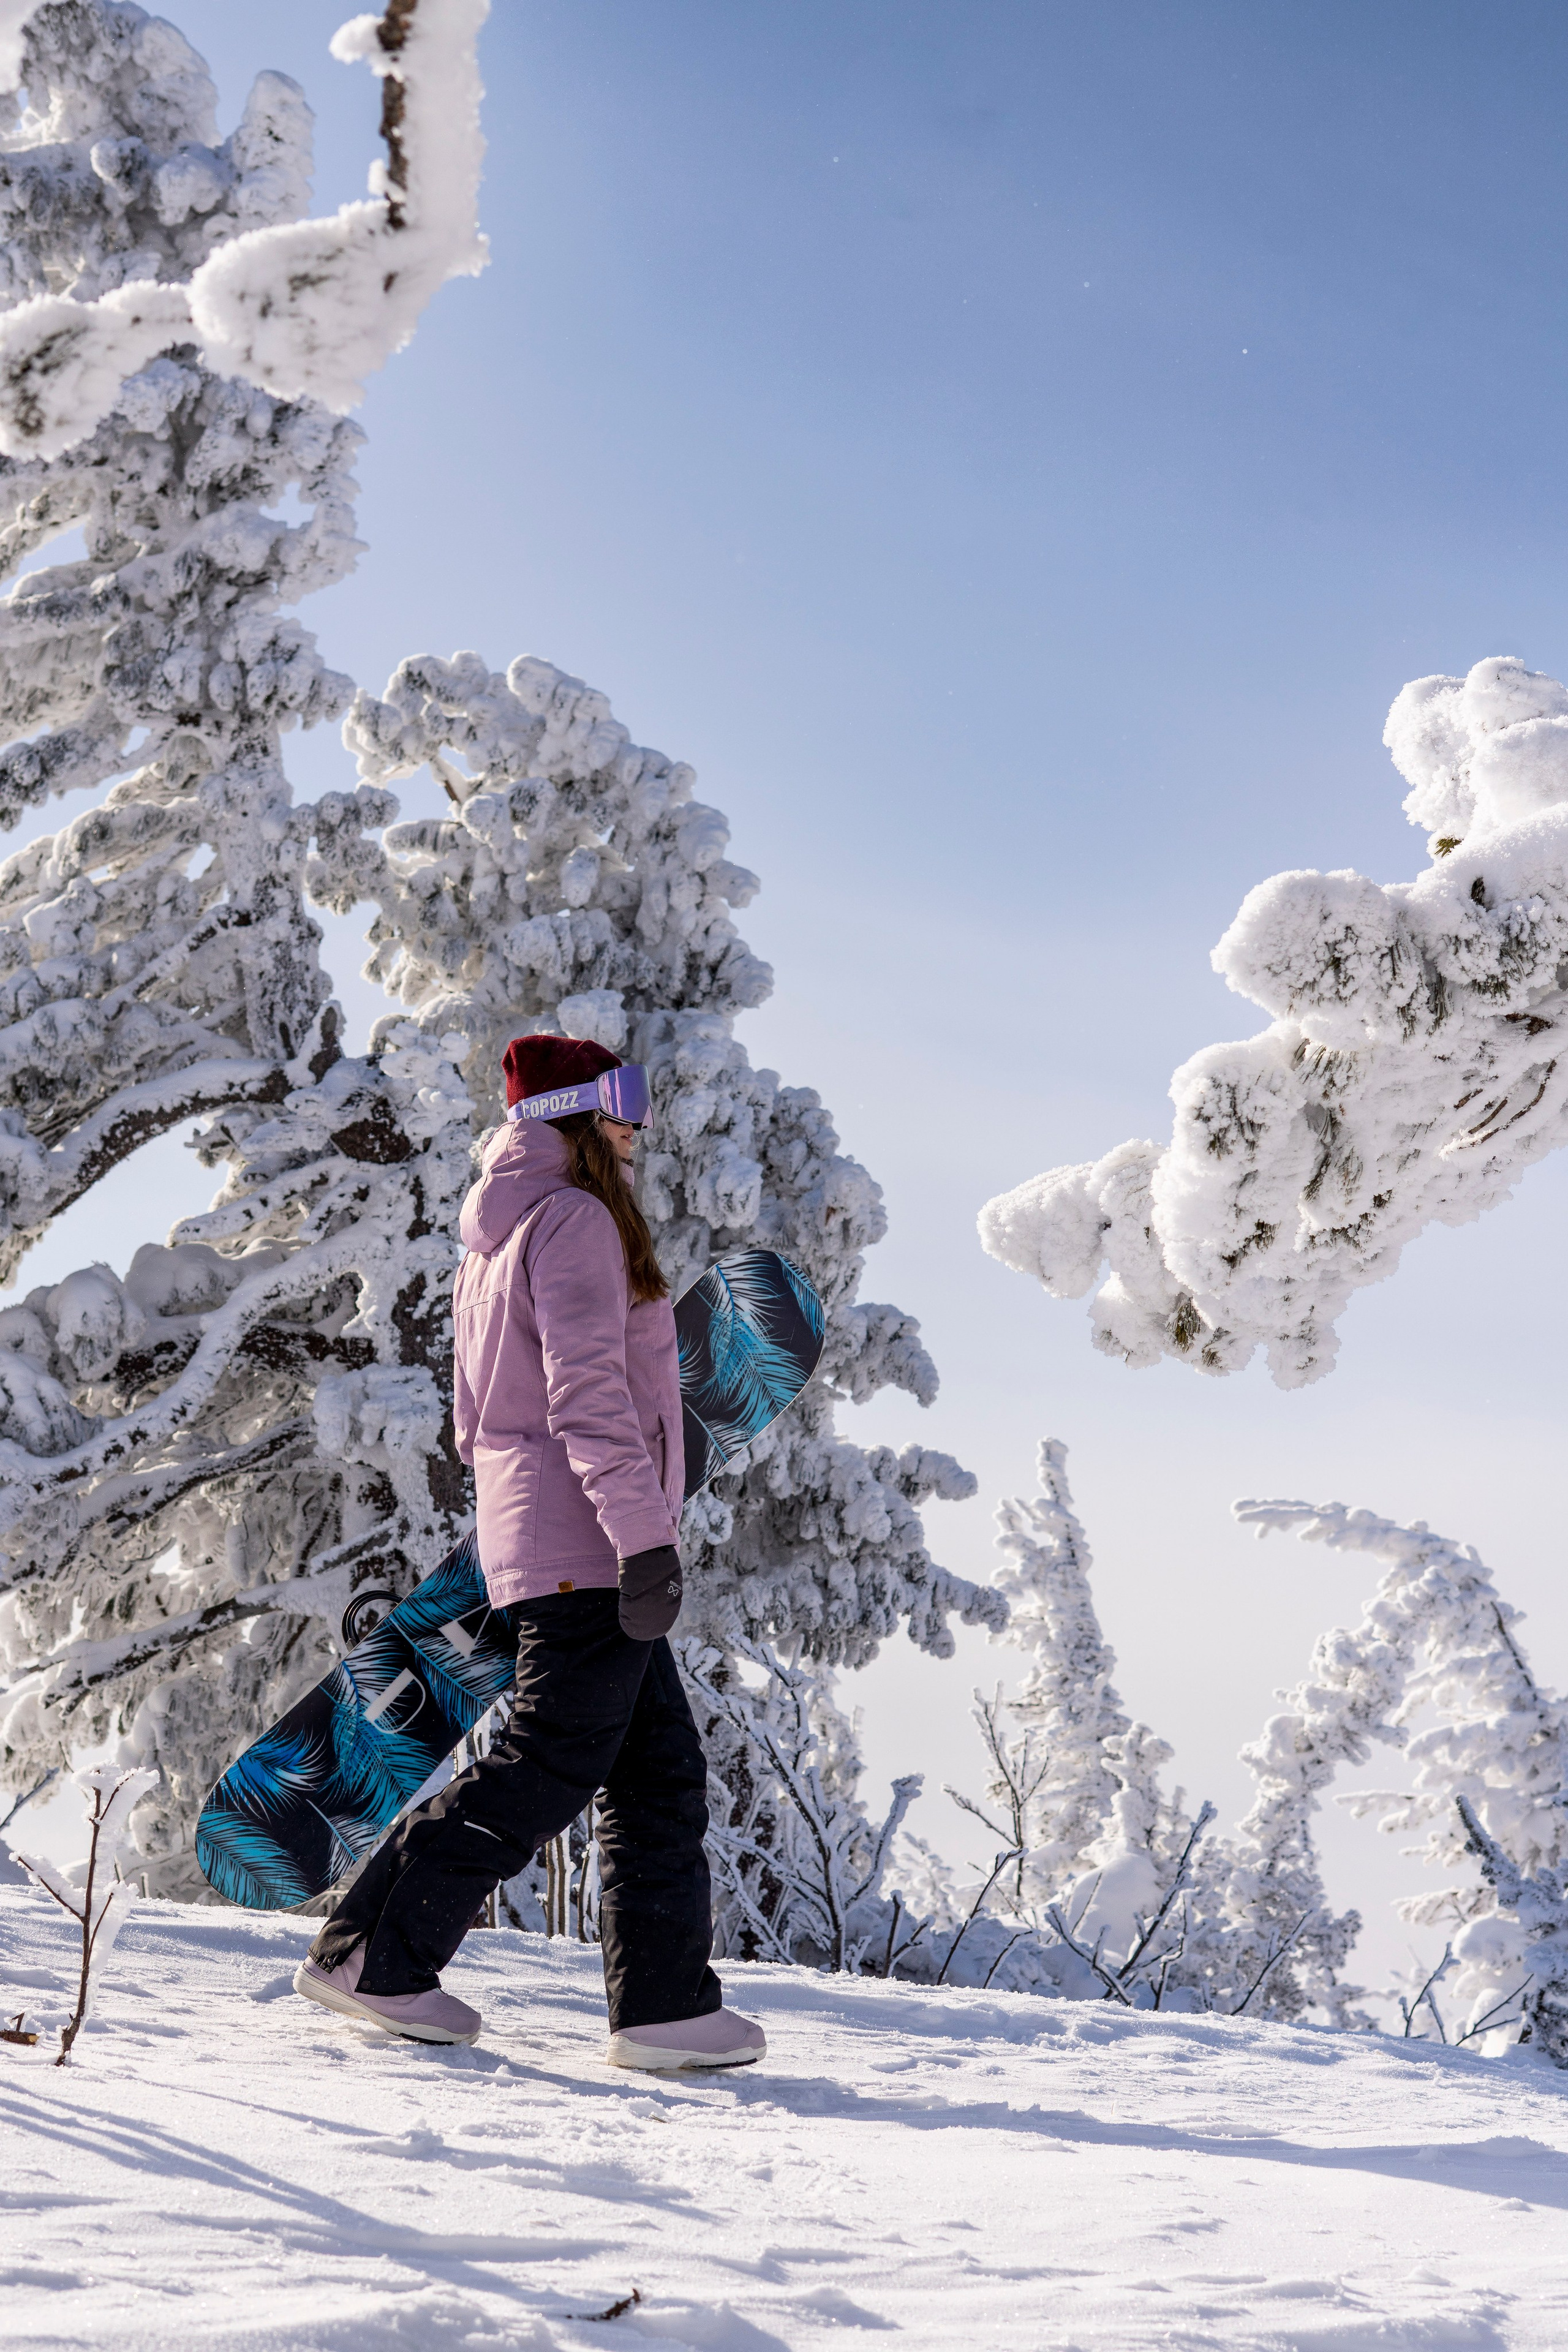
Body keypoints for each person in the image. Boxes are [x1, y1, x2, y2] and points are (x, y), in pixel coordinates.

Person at [293, 1034, 764, 2071]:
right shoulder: (577, 1220)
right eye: (622, 1099)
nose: (637, 1124)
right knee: (547, 1763)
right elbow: (587, 1397)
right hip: (589, 1540)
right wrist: (644, 1538)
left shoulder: (502, 1230)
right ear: (574, 1113)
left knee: (656, 1771)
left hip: (549, 1530)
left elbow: (481, 1415)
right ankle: (374, 1956)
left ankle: (664, 2007)